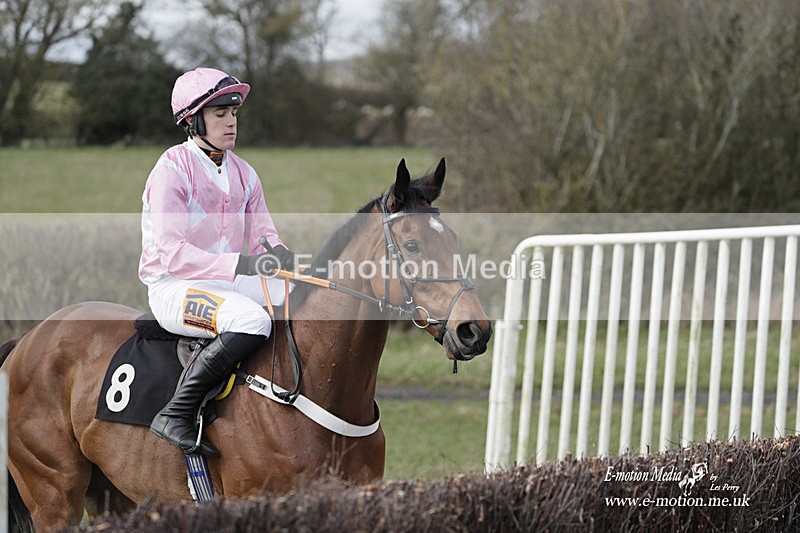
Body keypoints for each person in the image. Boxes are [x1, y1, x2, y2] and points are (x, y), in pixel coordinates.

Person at [139, 67, 295, 455]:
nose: (230, 122)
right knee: (253, 320)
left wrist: (278, 255)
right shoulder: (171, 171)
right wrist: (239, 265)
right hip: (174, 288)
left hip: (225, 283)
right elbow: (173, 255)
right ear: (194, 121)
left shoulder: (245, 173)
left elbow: (263, 235)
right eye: (220, 114)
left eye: (234, 113)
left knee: (297, 296)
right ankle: (176, 412)